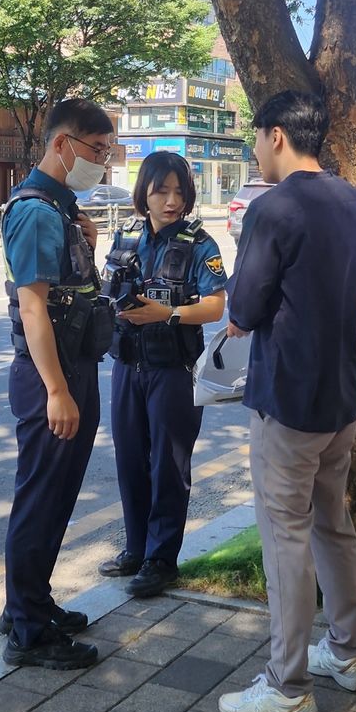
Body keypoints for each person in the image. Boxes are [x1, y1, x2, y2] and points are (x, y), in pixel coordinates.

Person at [218, 90, 356, 712]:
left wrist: (235, 317)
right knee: (333, 525)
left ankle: (286, 686)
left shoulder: (273, 208)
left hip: (288, 400)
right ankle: (350, 652)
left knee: (285, 539)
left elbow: (246, 306)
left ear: (276, 135)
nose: (256, 150)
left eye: (257, 138)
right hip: (342, 395)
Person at [0, 98, 115, 669]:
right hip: (54, 377)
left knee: (57, 496)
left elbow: (71, 294)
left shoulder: (63, 211)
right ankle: (26, 632)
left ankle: (31, 601)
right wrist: (57, 391)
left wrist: (87, 248)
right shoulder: (38, 212)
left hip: (75, 369)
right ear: (62, 144)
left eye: (109, 154)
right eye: (97, 151)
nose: (103, 163)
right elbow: (34, 310)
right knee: (41, 499)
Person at [98, 151, 226, 597]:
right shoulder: (126, 236)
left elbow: (215, 306)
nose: (171, 201)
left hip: (174, 370)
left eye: (179, 192)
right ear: (144, 194)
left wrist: (167, 313)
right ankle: (136, 548)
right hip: (128, 366)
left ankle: (161, 559)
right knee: (130, 460)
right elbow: (106, 287)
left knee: (169, 466)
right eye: (161, 191)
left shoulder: (200, 244)